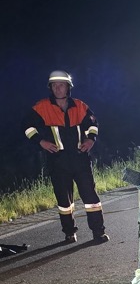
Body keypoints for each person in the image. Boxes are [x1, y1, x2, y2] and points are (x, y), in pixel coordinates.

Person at [22, 70, 109, 243]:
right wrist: (41, 142)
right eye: (54, 85)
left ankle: (98, 232)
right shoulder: (42, 107)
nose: (57, 88)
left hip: (80, 158)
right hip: (58, 161)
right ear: (50, 88)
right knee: (64, 201)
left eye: (61, 85)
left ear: (68, 87)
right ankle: (69, 232)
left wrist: (90, 139)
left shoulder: (80, 106)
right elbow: (27, 127)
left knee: (91, 198)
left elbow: (93, 125)